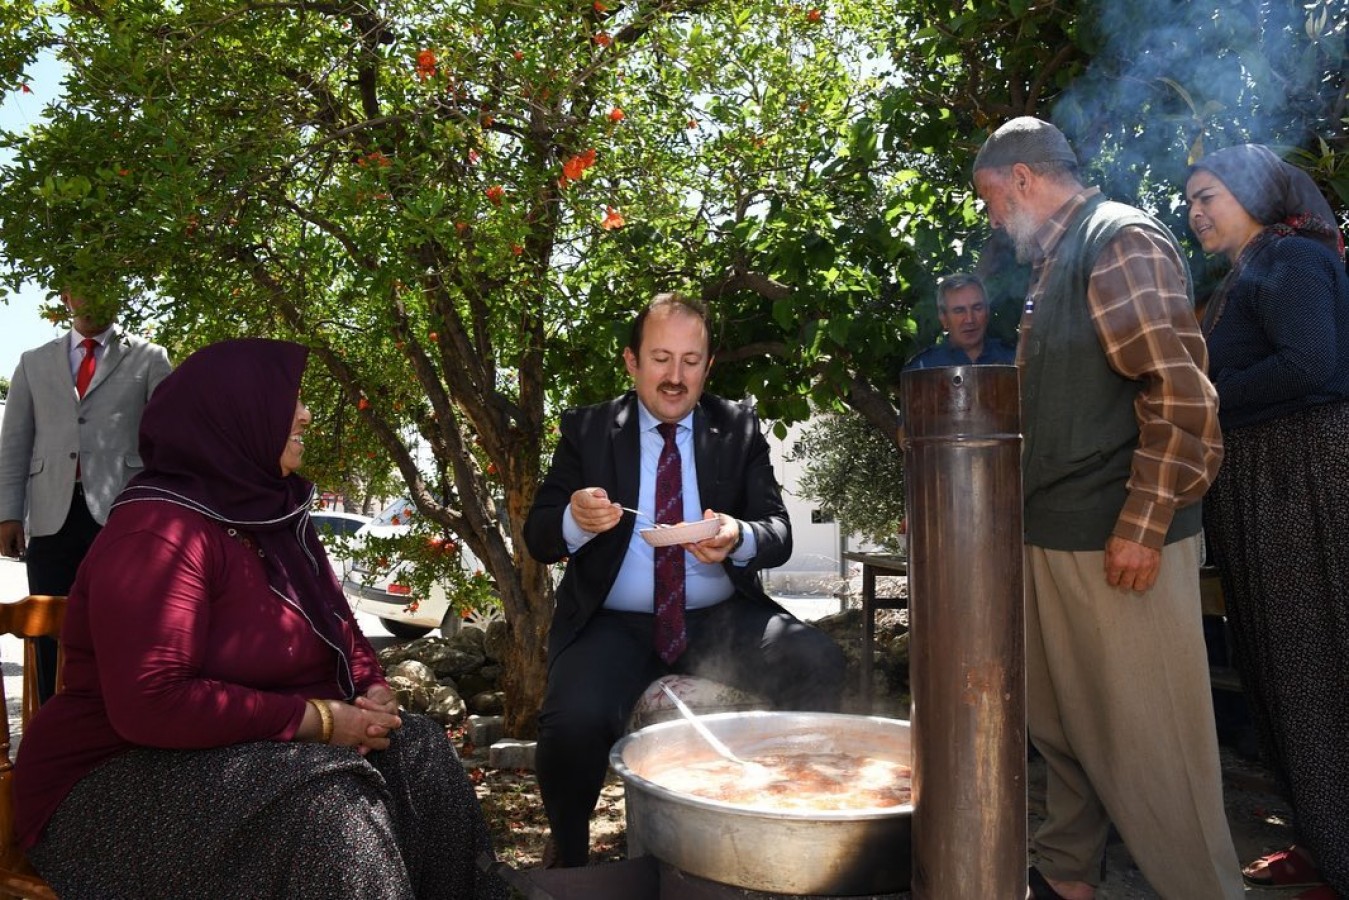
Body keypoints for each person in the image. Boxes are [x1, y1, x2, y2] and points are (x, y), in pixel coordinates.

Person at [13, 338, 507, 900]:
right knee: (331, 807)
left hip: (247, 753)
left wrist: (371, 689)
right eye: (287, 401)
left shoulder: (276, 516)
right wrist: (323, 719)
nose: (305, 414)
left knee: (420, 751)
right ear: (234, 415)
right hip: (109, 779)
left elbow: (341, 630)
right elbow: (151, 703)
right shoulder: (160, 530)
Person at [971, 117, 1243, 900]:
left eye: (991, 198)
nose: (993, 217)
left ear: (1021, 179)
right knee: (1062, 734)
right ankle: (1066, 879)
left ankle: (1208, 889)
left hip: (1116, 545)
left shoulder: (1117, 240)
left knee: (1153, 752)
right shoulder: (1055, 257)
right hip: (1058, 538)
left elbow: (1180, 394)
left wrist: (1140, 526)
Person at [523, 292, 847, 868]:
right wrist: (575, 518)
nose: (675, 377)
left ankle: (788, 822)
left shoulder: (738, 427)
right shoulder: (590, 430)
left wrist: (736, 534)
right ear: (632, 361)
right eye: (661, 358)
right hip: (613, 624)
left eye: (690, 361)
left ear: (708, 365)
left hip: (720, 620)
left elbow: (778, 532)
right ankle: (569, 855)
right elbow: (538, 535)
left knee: (819, 661)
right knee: (572, 720)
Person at [1184, 144, 1349, 900]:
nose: (1195, 213)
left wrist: (1209, 399)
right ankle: (1316, 837)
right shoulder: (1242, 275)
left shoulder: (1291, 260)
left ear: (1251, 192)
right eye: (1189, 200)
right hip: (1258, 484)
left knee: (1311, 667)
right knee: (1272, 669)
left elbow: (1309, 363)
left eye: (1207, 195)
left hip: (1298, 478)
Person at [0, 292, 172, 701]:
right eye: (83, 287)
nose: (93, 297)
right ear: (66, 296)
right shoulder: (33, 361)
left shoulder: (149, 357)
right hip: (50, 516)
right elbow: (15, 442)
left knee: (120, 628)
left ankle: (114, 736)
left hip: (123, 518)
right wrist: (8, 513)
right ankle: (48, 725)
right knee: (47, 631)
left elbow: (166, 440)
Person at [904, 272, 1017, 369]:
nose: (969, 319)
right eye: (959, 310)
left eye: (977, 308)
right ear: (943, 318)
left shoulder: (1013, 360)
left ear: (987, 312)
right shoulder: (923, 367)